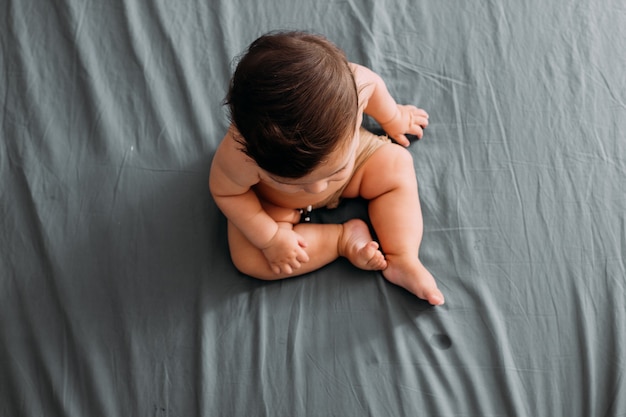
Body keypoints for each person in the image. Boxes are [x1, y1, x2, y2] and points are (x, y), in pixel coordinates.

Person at [209, 31, 444, 305]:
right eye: (294, 181)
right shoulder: (239, 154)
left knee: (397, 165)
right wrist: (270, 237)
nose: (318, 188)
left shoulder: (356, 87)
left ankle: (403, 258)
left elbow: (374, 86)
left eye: (332, 172)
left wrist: (394, 117)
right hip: (277, 204)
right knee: (249, 258)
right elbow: (228, 194)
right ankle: (341, 240)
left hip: (357, 164)